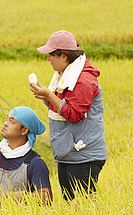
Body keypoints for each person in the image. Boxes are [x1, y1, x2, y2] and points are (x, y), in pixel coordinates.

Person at [29, 30, 107, 201]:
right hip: (69, 153)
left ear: (63, 56)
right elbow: (61, 106)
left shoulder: (84, 80)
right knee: (71, 206)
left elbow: (74, 113)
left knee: (83, 207)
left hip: (84, 155)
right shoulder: (65, 76)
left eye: (51, 55)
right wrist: (47, 97)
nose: (48, 59)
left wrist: (49, 95)